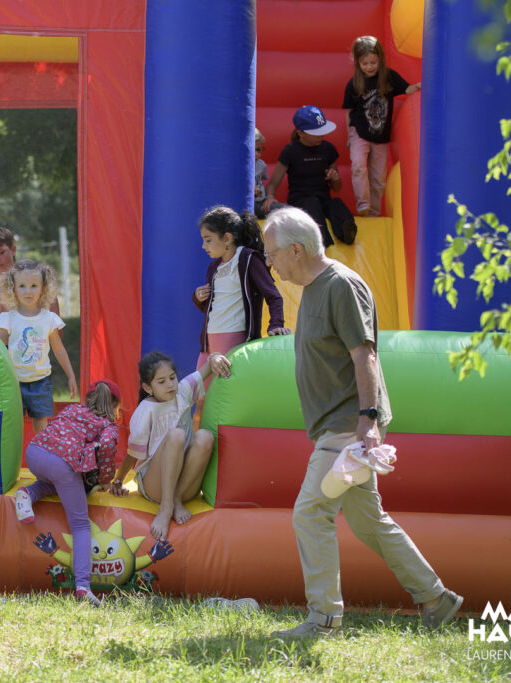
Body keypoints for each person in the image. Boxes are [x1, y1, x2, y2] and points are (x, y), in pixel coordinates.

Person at [262, 207, 463, 638]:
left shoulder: (342, 285)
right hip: (337, 424)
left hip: (348, 426)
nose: (270, 262)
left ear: (296, 250)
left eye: (271, 253)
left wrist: (368, 421)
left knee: (310, 513)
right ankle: (436, 599)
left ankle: (324, 618)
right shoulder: (313, 288)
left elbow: (364, 354)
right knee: (369, 520)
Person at [13, 379, 122, 606]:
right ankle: (83, 586)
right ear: (115, 406)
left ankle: (27, 494)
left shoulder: (74, 409)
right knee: (80, 525)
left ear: (88, 399)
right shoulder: (107, 424)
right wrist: (105, 480)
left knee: (61, 484)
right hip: (61, 464)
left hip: (34, 452)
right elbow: (107, 448)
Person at [109, 351, 231, 541]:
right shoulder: (145, 411)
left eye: (172, 378)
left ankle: (175, 498)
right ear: (148, 388)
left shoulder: (182, 392)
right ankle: (166, 508)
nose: (170, 384)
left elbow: (205, 370)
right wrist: (118, 481)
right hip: (155, 487)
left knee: (205, 437)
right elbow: (133, 455)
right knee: (176, 435)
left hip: (185, 487)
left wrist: (214, 358)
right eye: (161, 381)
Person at [192, 206, 289, 372]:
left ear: (227, 238)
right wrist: (198, 298)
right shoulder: (214, 266)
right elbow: (214, 307)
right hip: (209, 341)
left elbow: (273, 296)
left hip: (234, 338)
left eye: (208, 240)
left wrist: (275, 325)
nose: (203, 246)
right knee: (200, 387)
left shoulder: (248, 259)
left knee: (224, 385)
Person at [0, 259, 79, 433]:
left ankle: (41, 450)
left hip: (41, 381)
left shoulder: (49, 319)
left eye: (34, 286)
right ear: (13, 288)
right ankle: (15, 452)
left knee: (41, 423)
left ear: (43, 288)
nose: (28, 291)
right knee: (13, 423)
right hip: (14, 380)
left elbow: (59, 349)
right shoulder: (8, 318)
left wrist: (71, 375)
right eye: (22, 286)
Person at [343, 35, 421, 217]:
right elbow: (349, 112)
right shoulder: (354, 84)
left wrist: (418, 86)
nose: (369, 67)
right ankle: (363, 204)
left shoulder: (389, 77)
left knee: (378, 178)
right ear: (357, 63)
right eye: (365, 63)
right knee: (358, 166)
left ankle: (374, 213)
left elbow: (407, 89)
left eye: (373, 62)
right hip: (359, 133)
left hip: (381, 136)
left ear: (380, 60)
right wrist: (349, 136)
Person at [267, 105, 357, 248]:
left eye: (322, 131)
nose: (321, 136)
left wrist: (336, 178)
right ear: (300, 133)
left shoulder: (328, 149)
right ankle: (318, 234)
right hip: (300, 200)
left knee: (336, 204)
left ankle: (347, 230)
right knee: (311, 203)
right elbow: (274, 182)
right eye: (316, 133)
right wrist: (270, 196)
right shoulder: (290, 151)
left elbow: (337, 188)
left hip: (323, 199)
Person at [0, 226, 62, 326]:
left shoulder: (34, 277)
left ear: (13, 250)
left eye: (1, 252)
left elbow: (54, 318)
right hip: (4, 335)